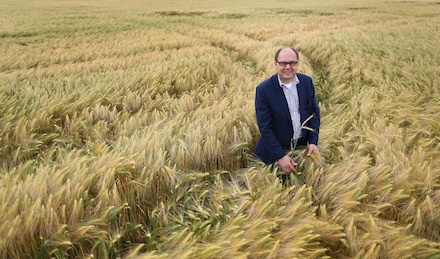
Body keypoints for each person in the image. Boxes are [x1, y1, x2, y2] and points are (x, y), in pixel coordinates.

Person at [254, 47, 321, 179]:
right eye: (283, 63)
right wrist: (280, 156)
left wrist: (313, 142)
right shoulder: (264, 90)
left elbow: (314, 114)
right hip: (272, 156)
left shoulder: (306, 82)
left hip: (301, 152)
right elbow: (265, 127)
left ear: (298, 64)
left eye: (293, 63)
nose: (288, 67)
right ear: (275, 64)